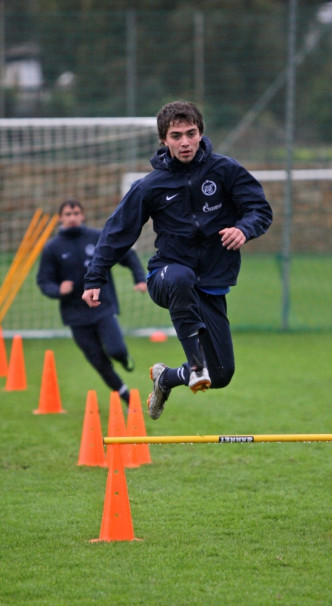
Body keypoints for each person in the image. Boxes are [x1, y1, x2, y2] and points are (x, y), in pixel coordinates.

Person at [82, 101, 273, 420]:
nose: (184, 142)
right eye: (176, 135)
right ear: (164, 140)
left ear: (201, 134)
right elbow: (117, 233)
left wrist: (244, 228)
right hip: (165, 277)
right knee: (181, 277)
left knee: (222, 374)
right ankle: (195, 365)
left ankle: (166, 378)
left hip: (210, 284)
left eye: (191, 133)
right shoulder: (149, 186)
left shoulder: (225, 170)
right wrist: (94, 278)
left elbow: (260, 210)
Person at [37, 199, 147, 406]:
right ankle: (126, 397)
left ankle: (124, 359)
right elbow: (44, 281)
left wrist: (140, 279)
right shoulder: (52, 248)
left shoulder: (97, 238)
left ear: (83, 215)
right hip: (75, 316)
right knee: (99, 361)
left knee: (116, 350)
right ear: (60, 218)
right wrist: (58, 290)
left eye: (76, 213)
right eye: (67, 214)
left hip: (102, 307)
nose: (72, 218)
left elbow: (128, 255)